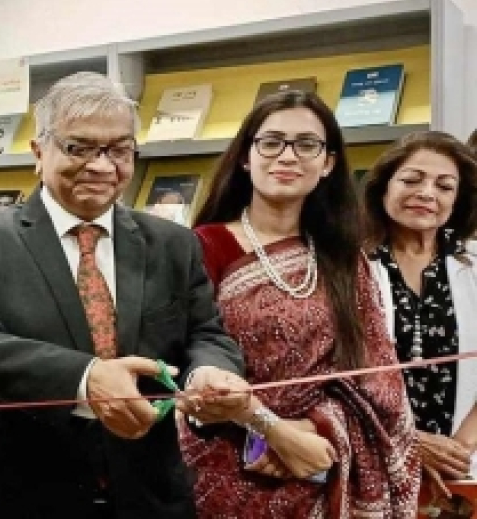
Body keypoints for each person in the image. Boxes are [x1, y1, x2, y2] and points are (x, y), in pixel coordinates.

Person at [0, 72, 260, 519]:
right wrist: (86, 377)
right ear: (39, 152)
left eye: (119, 150)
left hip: (150, 494)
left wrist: (209, 372)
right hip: (22, 494)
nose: (102, 166)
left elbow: (205, 332)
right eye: (79, 148)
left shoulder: (173, 243)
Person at [180, 90, 421, 517]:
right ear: (246, 156)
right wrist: (265, 428)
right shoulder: (202, 247)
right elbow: (183, 359)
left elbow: (377, 380)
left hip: (316, 464)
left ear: (328, 163)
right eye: (271, 142)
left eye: (306, 144)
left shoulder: (345, 260)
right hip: (219, 463)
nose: (287, 156)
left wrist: (306, 431)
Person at [362, 131, 477, 499]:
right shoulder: (346, 266)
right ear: (383, 187)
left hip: (461, 467)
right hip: (372, 461)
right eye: (411, 180)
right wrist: (409, 443)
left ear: (458, 199)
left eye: (444, 186)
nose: (427, 193)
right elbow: (334, 377)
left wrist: (459, 449)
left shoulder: (474, 265)